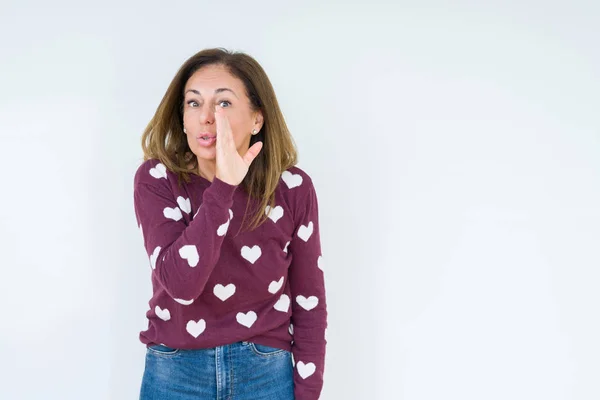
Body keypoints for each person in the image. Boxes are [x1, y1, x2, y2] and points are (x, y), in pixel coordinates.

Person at [133, 47, 328, 399]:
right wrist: (223, 187)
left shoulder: (292, 189)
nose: (206, 117)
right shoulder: (157, 179)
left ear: (257, 119)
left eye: (223, 103)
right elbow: (182, 283)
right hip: (175, 370)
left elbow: (309, 300)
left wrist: (308, 393)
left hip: (265, 370)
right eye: (193, 103)